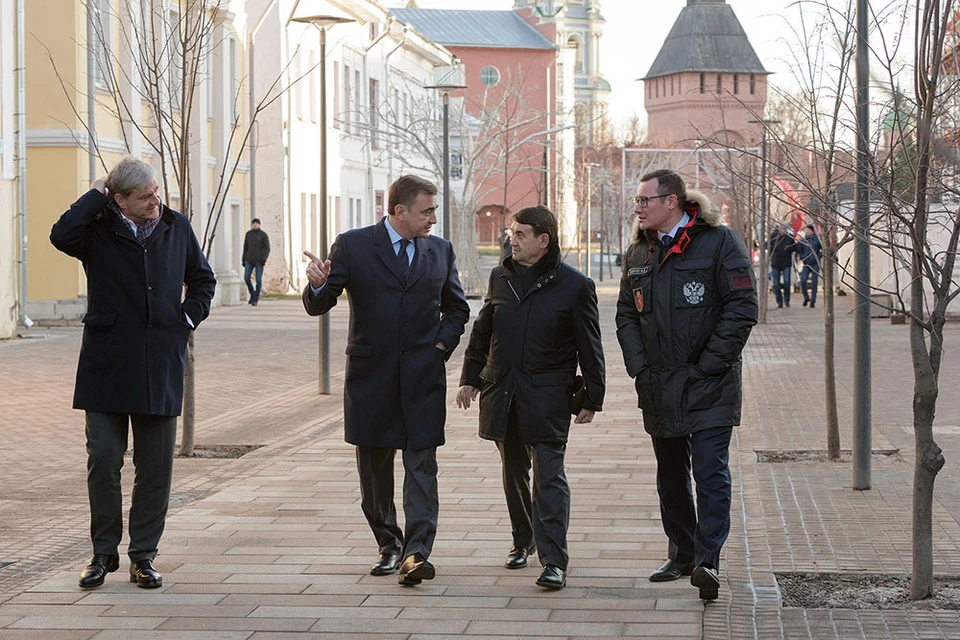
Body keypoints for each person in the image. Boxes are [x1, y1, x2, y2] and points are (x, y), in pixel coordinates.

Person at [50, 156, 217, 590]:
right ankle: (102, 554)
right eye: (145, 196)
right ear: (119, 198)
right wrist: (96, 192)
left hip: (160, 362)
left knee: (155, 467)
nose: (155, 202)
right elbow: (59, 233)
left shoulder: (175, 226)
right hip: (106, 365)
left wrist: (186, 320)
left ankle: (143, 556)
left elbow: (203, 281)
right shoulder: (96, 229)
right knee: (103, 459)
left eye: (156, 192)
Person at [302, 174, 470, 586]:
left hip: (422, 379)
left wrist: (439, 348)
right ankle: (388, 543)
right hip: (371, 378)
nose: (433, 218)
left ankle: (416, 553)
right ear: (399, 211)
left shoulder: (440, 250)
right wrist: (318, 284)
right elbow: (320, 305)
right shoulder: (354, 245)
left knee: (422, 467)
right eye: (426, 210)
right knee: (374, 474)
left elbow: (457, 309)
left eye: (434, 210)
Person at [615, 169, 757, 601]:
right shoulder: (639, 251)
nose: (638, 208)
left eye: (644, 201)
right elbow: (626, 314)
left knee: (710, 472)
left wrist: (709, 365)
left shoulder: (719, 242)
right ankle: (682, 553)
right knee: (671, 476)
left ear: (671, 202)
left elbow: (742, 307)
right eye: (637, 202)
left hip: (709, 383)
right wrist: (640, 367)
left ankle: (708, 561)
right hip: (659, 385)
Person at [457, 205, 605, 591]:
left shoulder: (575, 286)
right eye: (511, 232)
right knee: (512, 473)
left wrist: (593, 396)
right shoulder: (499, 277)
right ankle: (522, 540)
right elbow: (482, 333)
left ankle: (554, 560)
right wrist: (469, 379)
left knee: (549, 478)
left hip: (549, 396)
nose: (512, 239)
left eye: (520, 233)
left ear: (544, 240)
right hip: (502, 391)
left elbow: (591, 346)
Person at [242, 218, 270, 305]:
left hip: (259, 261)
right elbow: (245, 247)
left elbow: (267, 248)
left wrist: (264, 259)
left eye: (257, 223)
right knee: (247, 278)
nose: (255, 225)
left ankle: (255, 298)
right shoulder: (248, 234)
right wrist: (243, 259)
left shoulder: (263, 235)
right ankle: (253, 294)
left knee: (258, 280)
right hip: (249, 259)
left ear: (259, 225)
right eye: (254, 223)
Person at [767, 224, 796, 308]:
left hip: (786, 262)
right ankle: (779, 301)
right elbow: (768, 246)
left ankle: (787, 300)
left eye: (785, 229)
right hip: (776, 263)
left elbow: (794, 247)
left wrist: (790, 249)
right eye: (782, 228)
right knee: (776, 283)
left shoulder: (789, 237)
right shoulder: (773, 236)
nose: (783, 230)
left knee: (787, 282)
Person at [796, 224, 823, 308]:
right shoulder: (803, 241)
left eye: (808, 230)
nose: (807, 232)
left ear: (812, 231)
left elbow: (822, 250)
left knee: (814, 283)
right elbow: (799, 250)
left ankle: (813, 300)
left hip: (815, 263)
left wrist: (818, 257)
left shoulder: (817, 240)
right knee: (803, 281)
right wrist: (803, 258)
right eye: (806, 230)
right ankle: (806, 297)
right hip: (806, 263)